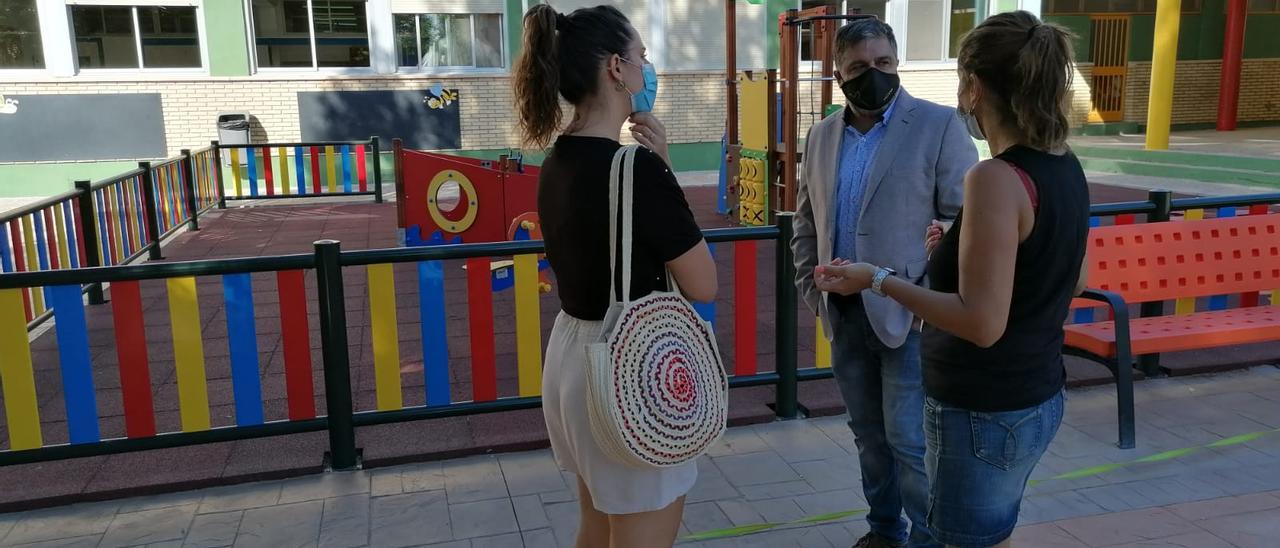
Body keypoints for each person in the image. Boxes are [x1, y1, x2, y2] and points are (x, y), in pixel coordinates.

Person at [814, 11, 1088, 548]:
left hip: (983, 407)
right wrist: (957, 252)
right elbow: (1073, 277)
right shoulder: (1063, 165)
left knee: (948, 536)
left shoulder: (995, 176)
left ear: (974, 86)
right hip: (1036, 393)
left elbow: (981, 323)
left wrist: (878, 279)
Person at [512, 5, 717, 548]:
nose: (648, 67)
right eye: (642, 56)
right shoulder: (637, 168)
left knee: (596, 527)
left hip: (574, 358)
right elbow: (703, 283)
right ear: (615, 68)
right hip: (631, 368)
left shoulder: (557, 160)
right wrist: (664, 168)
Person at [791, 18, 976, 548]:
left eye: (884, 64)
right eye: (858, 68)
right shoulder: (823, 134)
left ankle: (927, 539)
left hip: (907, 315)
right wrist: (814, 291)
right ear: (837, 74)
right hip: (844, 315)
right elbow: (806, 223)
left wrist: (923, 300)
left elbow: (965, 223)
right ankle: (883, 531)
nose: (873, 75)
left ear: (897, 63)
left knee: (909, 441)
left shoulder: (939, 126)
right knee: (869, 438)